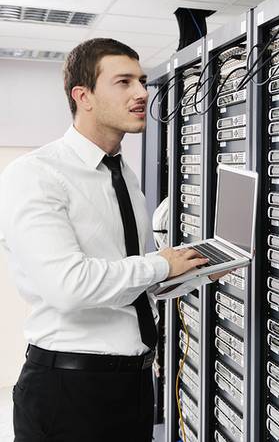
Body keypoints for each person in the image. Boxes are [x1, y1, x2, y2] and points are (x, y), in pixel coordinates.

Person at [0, 38, 208, 441]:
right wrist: (162, 263)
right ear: (84, 96)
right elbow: (68, 286)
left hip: (131, 386)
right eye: (124, 82)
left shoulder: (124, 176)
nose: (142, 93)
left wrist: (189, 272)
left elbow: (123, 279)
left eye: (143, 81)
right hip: (68, 391)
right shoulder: (35, 174)